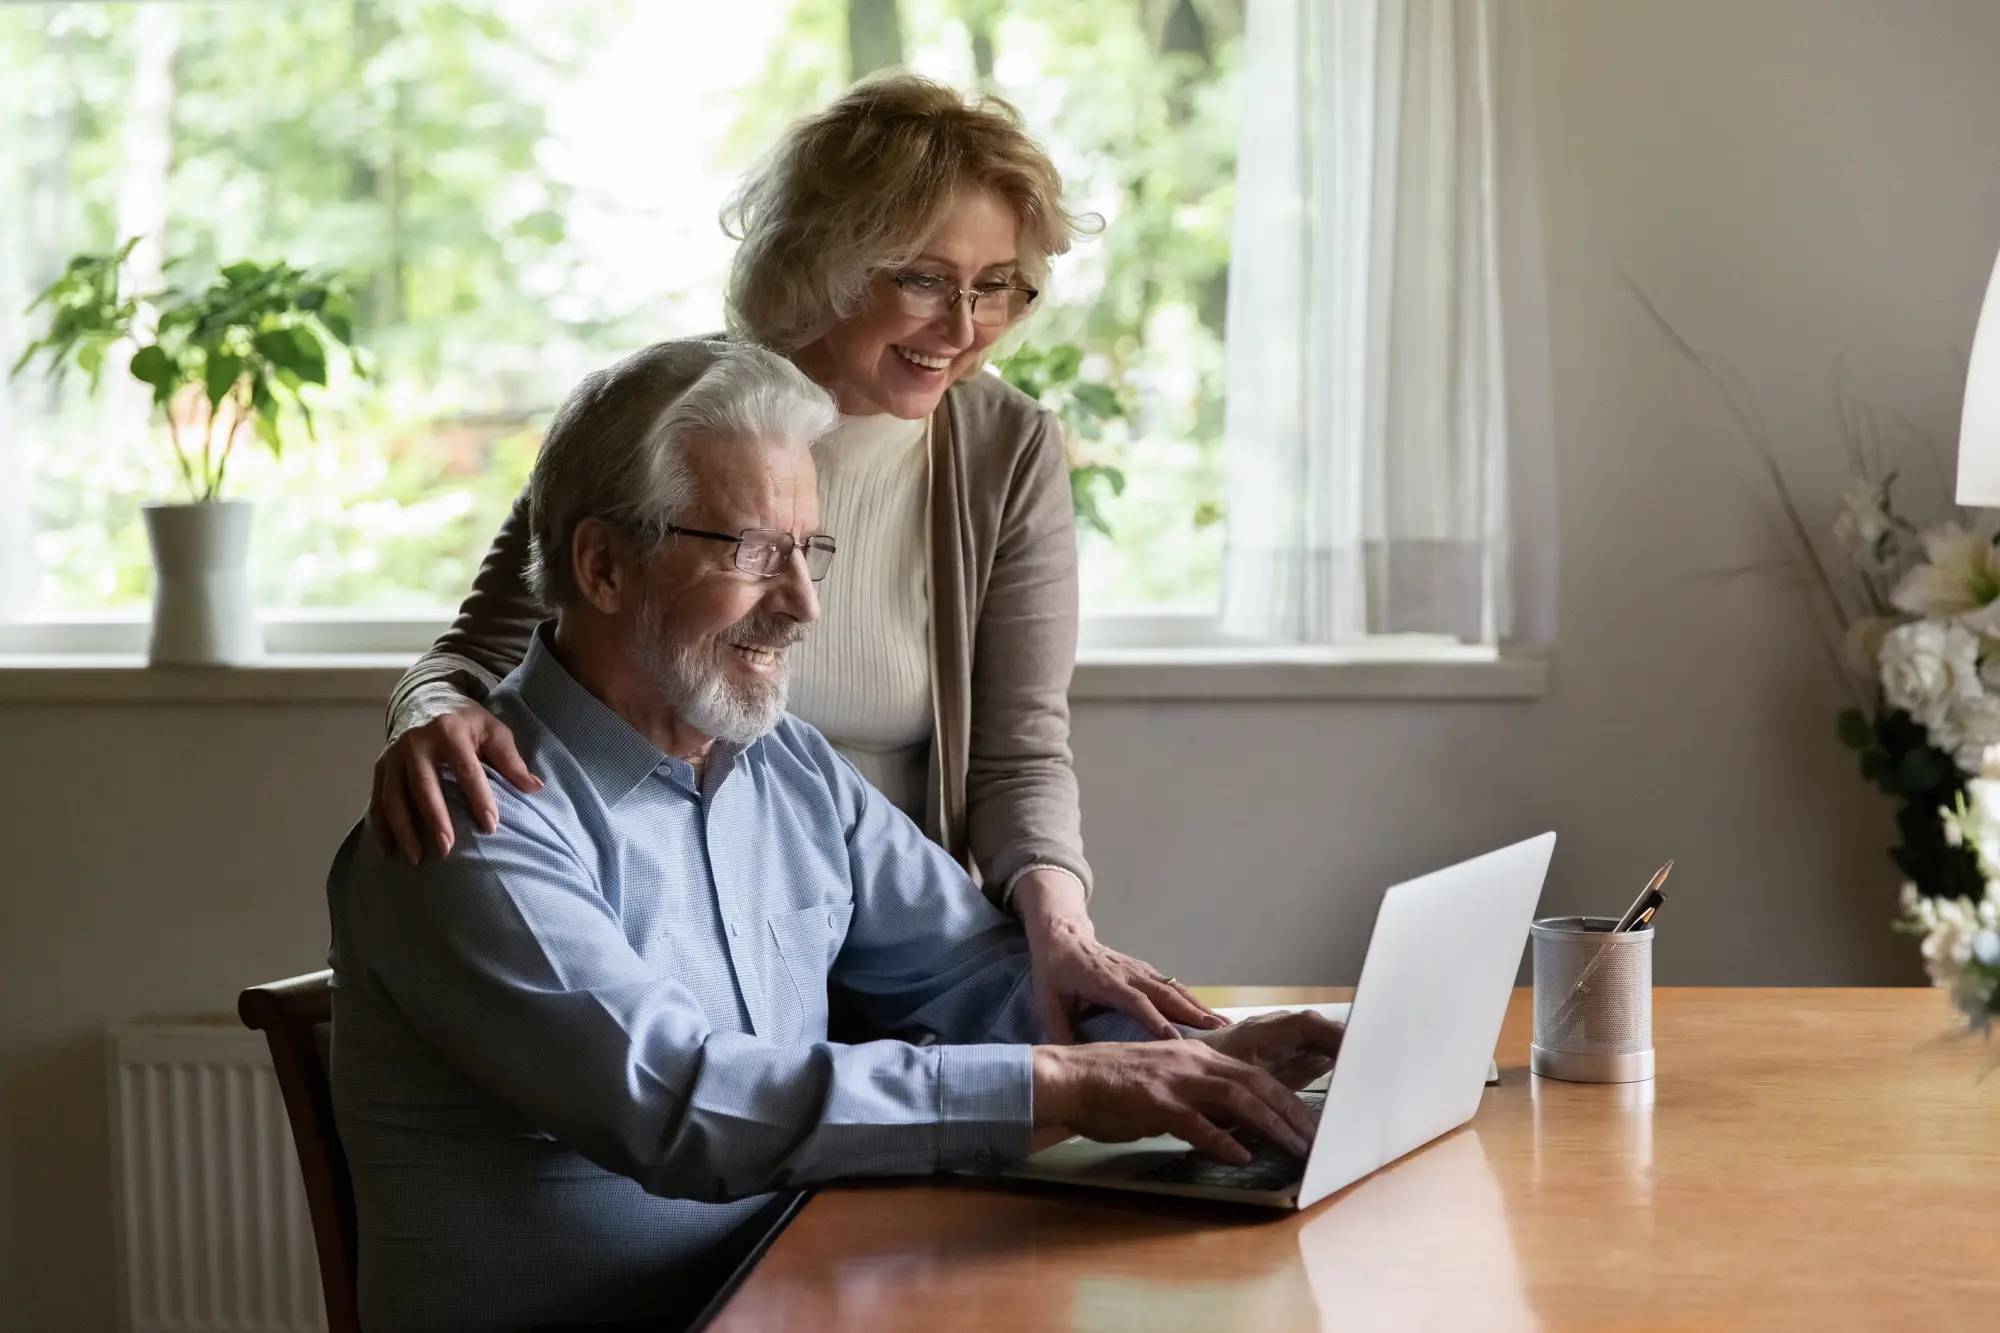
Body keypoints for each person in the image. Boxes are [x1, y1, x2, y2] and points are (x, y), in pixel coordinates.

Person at [328, 341, 1344, 1331]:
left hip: (809, 1289)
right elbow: (681, 1101)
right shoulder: (472, 817)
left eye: (809, 550)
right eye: (755, 552)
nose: (802, 603)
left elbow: (977, 977)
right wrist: (1075, 1083)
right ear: (602, 564)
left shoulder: (789, 767)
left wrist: (1194, 1060)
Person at [368, 71, 1218, 1042]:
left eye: (996, 288)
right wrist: (429, 711)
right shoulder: (667, 418)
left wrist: (1061, 931)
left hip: (904, 953)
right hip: (675, 939)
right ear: (826, 262)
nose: (962, 328)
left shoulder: (1003, 447)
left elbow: (1018, 752)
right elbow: (480, 653)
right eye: (924, 279)